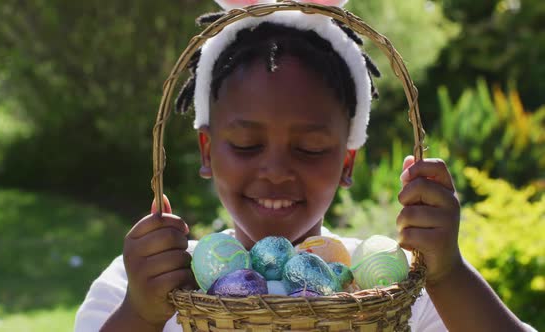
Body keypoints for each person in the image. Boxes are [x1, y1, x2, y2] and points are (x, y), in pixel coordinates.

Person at [75, 1, 535, 331]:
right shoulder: (147, 286)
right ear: (207, 150)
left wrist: (449, 274)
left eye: (311, 148)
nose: (275, 170)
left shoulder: (398, 292)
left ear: (347, 160)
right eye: (247, 143)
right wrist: (140, 313)